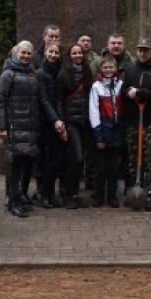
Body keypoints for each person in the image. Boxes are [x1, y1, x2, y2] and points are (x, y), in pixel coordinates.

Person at [0, 41, 41, 218]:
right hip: (14, 126)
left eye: (29, 54)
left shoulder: (32, 74)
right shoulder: (8, 74)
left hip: (29, 126)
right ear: (16, 53)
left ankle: (20, 196)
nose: (26, 56)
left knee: (24, 163)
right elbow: (0, 101)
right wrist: (2, 127)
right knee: (14, 165)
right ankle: (13, 200)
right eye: (23, 53)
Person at [120, 38, 151, 211]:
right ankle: (134, 192)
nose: (142, 53)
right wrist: (128, 93)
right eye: (140, 50)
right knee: (132, 159)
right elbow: (123, 91)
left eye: (146, 50)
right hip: (132, 120)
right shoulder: (131, 70)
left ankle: (150, 194)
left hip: (149, 121)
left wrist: (140, 92)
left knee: (150, 159)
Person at [58, 43, 93, 209]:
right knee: (76, 158)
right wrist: (62, 122)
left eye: (80, 53)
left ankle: (75, 194)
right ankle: (68, 195)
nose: (78, 55)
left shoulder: (87, 72)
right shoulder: (64, 74)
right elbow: (59, 100)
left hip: (84, 121)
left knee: (81, 160)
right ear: (69, 56)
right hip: (71, 121)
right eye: (74, 53)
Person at [89, 56, 124, 207]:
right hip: (103, 130)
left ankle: (112, 195)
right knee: (101, 167)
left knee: (114, 167)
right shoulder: (96, 86)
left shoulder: (121, 85)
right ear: (101, 69)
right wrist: (98, 136)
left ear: (116, 69)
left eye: (111, 67)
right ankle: (98, 195)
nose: (109, 70)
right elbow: (94, 111)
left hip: (117, 132)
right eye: (106, 67)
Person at [36, 43, 66, 208]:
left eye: (56, 52)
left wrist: (61, 121)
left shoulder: (59, 73)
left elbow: (59, 100)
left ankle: (49, 194)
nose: (54, 55)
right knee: (50, 159)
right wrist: (55, 120)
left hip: (57, 122)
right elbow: (44, 99)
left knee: (57, 159)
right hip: (45, 122)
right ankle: (43, 194)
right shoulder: (40, 73)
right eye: (51, 52)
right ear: (46, 52)